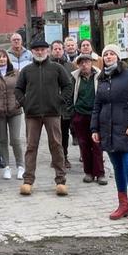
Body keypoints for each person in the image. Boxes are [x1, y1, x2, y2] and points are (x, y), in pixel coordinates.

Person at [91, 45, 128, 226]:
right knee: (118, 169)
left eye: (111, 53)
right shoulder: (102, 78)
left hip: (127, 130)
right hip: (108, 131)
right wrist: (94, 129)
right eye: (105, 54)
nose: (108, 56)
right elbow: (97, 106)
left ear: (118, 56)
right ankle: (124, 206)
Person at [14, 37, 73, 196]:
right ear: (32, 52)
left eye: (42, 49)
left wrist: (59, 101)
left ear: (47, 51)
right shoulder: (27, 70)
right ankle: (28, 181)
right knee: (31, 147)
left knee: (56, 145)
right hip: (32, 114)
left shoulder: (56, 68)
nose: (40, 52)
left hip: (52, 113)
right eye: (36, 50)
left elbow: (68, 86)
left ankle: (60, 180)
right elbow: (18, 89)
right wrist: (25, 103)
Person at [0, 49, 24, 181]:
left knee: (15, 139)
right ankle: (7, 166)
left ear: (7, 59)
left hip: (15, 110)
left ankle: (20, 166)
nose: (1, 59)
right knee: (2, 140)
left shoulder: (16, 73)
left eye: (4, 57)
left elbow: (22, 89)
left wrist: (19, 102)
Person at [69, 52, 106, 185]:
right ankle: (88, 172)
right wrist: (73, 113)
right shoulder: (75, 77)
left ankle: (100, 173)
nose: (85, 65)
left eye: (87, 62)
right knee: (84, 145)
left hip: (96, 115)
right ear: (78, 65)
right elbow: (70, 95)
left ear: (91, 63)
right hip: (80, 115)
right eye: (82, 63)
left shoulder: (100, 76)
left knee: (96, 144)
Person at [50, 41, 73, 169]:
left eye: (60, 48)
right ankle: (55, 158)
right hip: (51, 106)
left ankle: (64, 157)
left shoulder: (70, 66)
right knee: (53, 135)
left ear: (63, 50)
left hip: (66, 106)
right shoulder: (47, 65)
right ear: (51, 51)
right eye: (55, 49)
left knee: (64, 134)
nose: (58, 51)